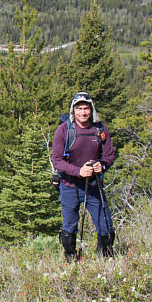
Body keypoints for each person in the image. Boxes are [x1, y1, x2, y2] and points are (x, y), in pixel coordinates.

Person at [51, 92, 116, 260]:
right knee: (69, 227)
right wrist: (78, 171)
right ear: (73, 110)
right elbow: (57, 160)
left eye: (86, 108)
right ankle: (70, 258)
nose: (83, 112)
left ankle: (106, 259)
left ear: (91, 109)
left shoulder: (100, 129)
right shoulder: (64, 130)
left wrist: (101, 166)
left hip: (94, 186)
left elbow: (109, 155)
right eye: (79, 108)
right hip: (69, 185)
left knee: (106, 226)